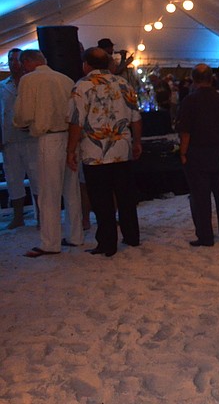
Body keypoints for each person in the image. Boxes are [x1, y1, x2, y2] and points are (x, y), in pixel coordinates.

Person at [66, 47, 142, 257]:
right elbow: (136, 117)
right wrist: (136, 142)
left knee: (101, 199)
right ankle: (132, 236)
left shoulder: (82, 86)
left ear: (86, 64)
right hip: (121, 147)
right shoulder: (123, 83)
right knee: (125, 195)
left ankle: (107, 243)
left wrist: (70, 150)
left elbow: (76, 122)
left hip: (94, 152)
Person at [13, 49, 83, 257]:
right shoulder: (66, 79)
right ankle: (75, 235)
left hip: (48, 138)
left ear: (27, 62)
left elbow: (22, 114)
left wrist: (21, 124)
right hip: (70, 137)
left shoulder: (29, 80)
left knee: (48, 192)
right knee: (71, 190)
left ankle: (50, 242)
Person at [175, 64, 219, 247]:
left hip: (197, 154)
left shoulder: (190, 101)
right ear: (212, 78)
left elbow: (185, 131)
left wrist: (183, 152)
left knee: (200, 198)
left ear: (193, 79)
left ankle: (205, 236)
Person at [1, 48, 39, 229]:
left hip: (31, 138)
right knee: (13, 179)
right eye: (10, 60)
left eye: (16, 60)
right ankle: (18, 216)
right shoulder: (2, 86)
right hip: (10, 139)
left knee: (37, 178)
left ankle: (41, 214)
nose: (13, 63)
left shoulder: (32, 82)